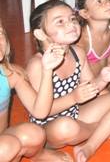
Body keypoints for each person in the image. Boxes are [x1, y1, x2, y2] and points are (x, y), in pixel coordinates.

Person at [27, 0, 110, 162]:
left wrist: (103, 79)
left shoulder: (77, 52)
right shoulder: (37, 64)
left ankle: (89, 146)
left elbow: (91, 88)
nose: (71, 24)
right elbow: (43, 111)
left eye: (72, 19)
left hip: (76, 113)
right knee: (66, 127)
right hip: (48, 127)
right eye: (60, 22)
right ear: (40, 34)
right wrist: (74, 98)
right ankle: (104, 129)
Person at [0, 24, 68, 161]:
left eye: (0, 33)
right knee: (8, 146)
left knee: (34, 133)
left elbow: (40, 112)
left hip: (3, 141)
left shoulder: (10, 74)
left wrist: (47, 70)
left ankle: (38, 156)